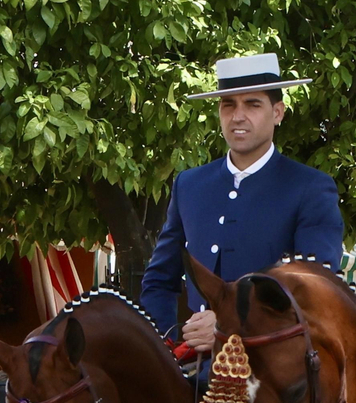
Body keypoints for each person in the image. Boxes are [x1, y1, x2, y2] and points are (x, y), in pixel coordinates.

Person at [141, 53, 344, 351]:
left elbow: (315, 291)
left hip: (274, 375)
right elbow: (159, 280)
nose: (238, 116)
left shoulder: (310, 187)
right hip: (195, 371)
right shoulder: (190, 185)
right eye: (228, 105)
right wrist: (165, 348)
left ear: (278, 112)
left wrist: (227, 327)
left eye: (252, 104)